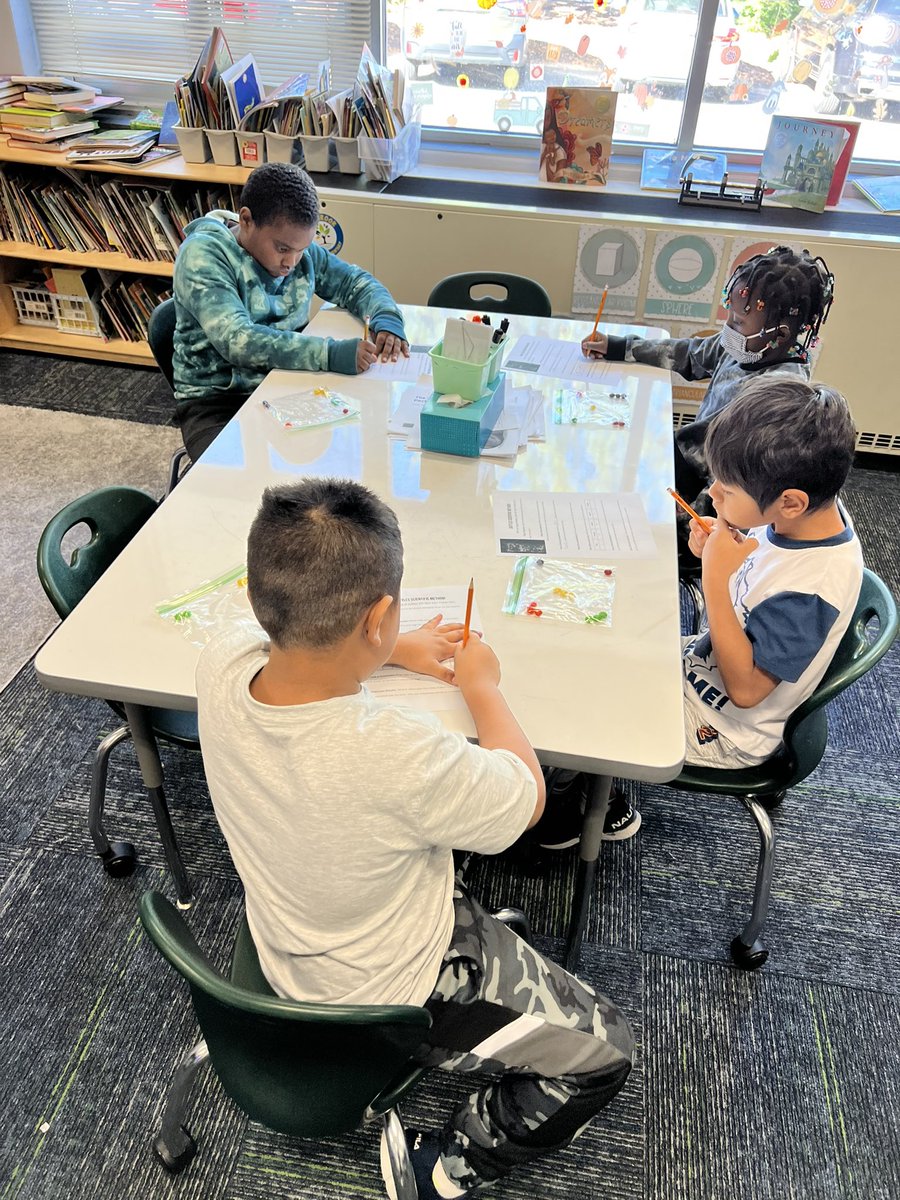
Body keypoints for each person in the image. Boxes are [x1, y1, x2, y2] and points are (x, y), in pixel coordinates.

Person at [196, 479, 634, 1200]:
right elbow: (523, 799)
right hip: (386, 982)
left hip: (287, 929)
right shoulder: (395, 755)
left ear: (255, 593)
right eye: (385, 627)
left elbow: (279, 635)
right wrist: (482, 685)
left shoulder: (221, 662)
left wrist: (392, 649)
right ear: (377, 617)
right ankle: (449, 1166)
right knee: (605, 1055)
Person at [172, 161, 409, 462]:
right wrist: (328, 354)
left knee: (331, 462)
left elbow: (353, 282)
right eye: (283, 249)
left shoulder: (297, 249)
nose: (292, 262)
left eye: (302, 249)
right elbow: (238, 341)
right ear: (246, 220)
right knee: (237, 490)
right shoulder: (204, 255)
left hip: (285, 379)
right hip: (218, 400)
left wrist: (385, 317)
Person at [681, 376, 862, 766]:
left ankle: (603, 804)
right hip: (699, 670)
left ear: (791, 503)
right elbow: (761, 566)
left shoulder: (815, 586)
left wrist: (713, 577)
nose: (712, 495)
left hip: (726, 728)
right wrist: (718, 543)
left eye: (726, 491)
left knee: (598, 714)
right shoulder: (799, 515)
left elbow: (745, 690)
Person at [580, 245, 835, 504]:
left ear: (779, 335)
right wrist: (620, 346)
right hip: (684, 459)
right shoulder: (744, 345)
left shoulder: (778, 396)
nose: (727, 328)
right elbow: (689, 354)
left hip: (708, 490)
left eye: (738, 322)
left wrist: (695, 520)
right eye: (730, 317)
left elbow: (736, 472)